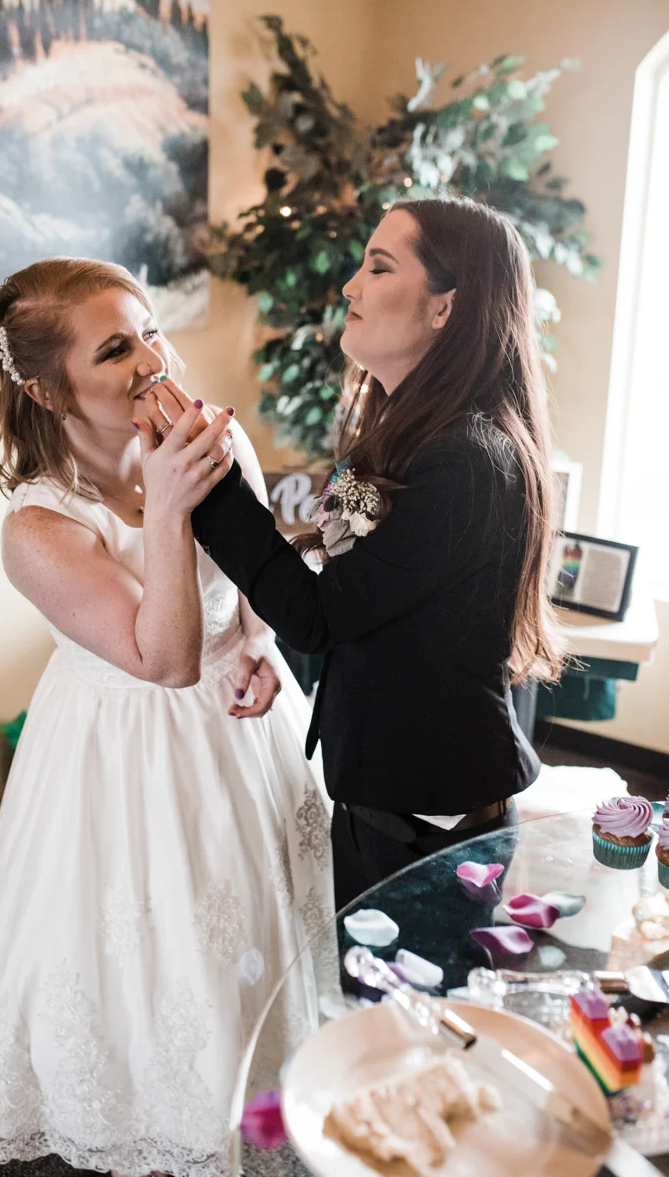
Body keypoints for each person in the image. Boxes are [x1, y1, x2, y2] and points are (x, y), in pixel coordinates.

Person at [0, 259, 332, 1176]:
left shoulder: (211, 440)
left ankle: (250, 1093)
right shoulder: (39, 530)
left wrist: (263, 647)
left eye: (151, 329)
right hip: (119, 745)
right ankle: (149, 1122)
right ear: (45, 388)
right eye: (116, 348)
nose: (153, 359)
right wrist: (168, 504)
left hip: (239, 733)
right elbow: (162, 658)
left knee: (248, 925)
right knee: (139, 945)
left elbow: (256, 580)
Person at [181, 196, 565, 910]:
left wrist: (211, 483)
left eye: (378, 266)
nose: (350, 287)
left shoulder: (465, 462)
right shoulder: (404, 431)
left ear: (444, 309)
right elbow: (348, 579)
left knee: (413, 1019)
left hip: (429, 813)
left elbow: (320, 616)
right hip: (387, 789)